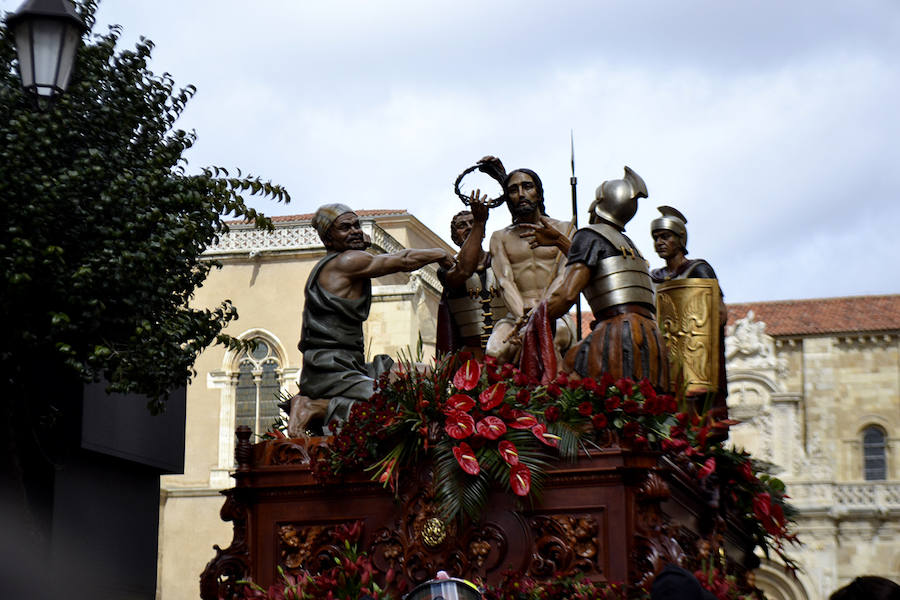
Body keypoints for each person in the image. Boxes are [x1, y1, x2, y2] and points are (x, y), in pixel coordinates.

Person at [294, 204, 455, 433]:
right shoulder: (347, 261)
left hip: (352, 365)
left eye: (356, 225)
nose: (355, 231)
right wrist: (440, 254)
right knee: (400, 404)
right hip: (330, 371)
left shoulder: (343, 260)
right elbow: (405, 260)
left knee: (425, 376)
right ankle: (316, 406)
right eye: (345, 228)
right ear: (329, 240)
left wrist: (358, 242)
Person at [527, 166, 668, 389]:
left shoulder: (589, 235)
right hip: (651, 339)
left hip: (617, 337)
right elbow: (599, 266)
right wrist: (559, 241)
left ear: (599, 204)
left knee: (563, 388)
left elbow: (567, 294)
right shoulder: (630, 248)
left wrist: (536, 318)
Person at [486, 168, 575, 364]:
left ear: (539, 192)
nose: (521, 194)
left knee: (551, 338)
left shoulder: (564, 229)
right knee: (494, 352)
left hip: (556, 314)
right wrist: (523, 319)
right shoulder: (500, 237)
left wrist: (540, 314)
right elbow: (504, 281)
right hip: (516, 316)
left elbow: (564, 275)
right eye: (513, 190)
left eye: (527, 187)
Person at [650, 206, 728, 426]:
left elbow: (719, 313)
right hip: (667, 363)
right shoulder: (654, 277)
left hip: (697, 363)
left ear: (680, 238)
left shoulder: (698, 270)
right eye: (655, 238)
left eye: (665, 236)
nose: (659, 242)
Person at [436, 194, 508, 358]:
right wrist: (478, 223)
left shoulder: (502, 261)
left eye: (472, 222)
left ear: (483, 233)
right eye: (462, 225)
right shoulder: (446, 270)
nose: (469, 227)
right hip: (470, 358)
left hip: (507, 351)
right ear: (455, 237)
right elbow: (463, 272)